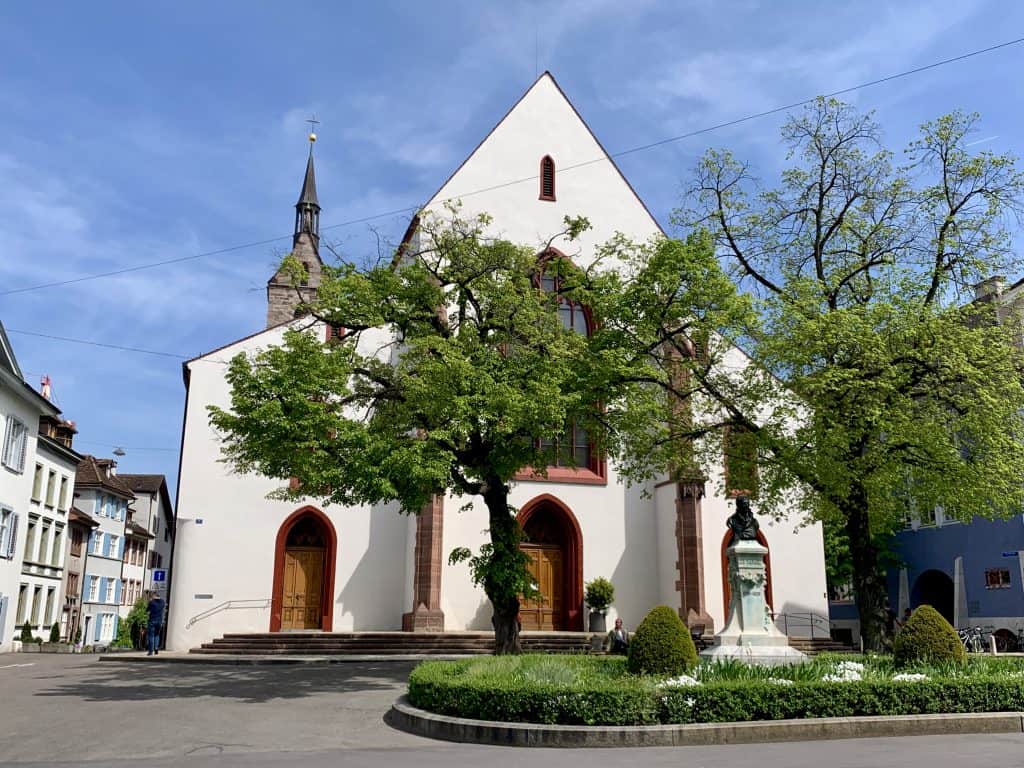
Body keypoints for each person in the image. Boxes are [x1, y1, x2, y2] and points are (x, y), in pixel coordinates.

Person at [146, 591, 166, 656]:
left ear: (153, 596)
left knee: (151, 636)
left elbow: (147, 610)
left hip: (152, 621)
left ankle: (151, 651)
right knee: (157, 635)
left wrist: (150, 601)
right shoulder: (163, 602)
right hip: (159, 621)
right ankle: (156, 649)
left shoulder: (151, 602)